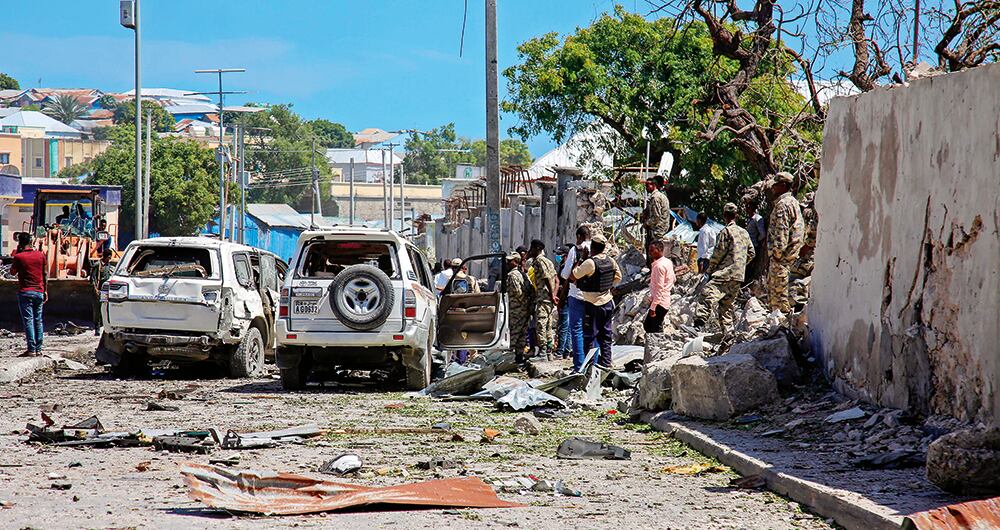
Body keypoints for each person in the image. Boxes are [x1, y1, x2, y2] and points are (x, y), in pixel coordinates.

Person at [695, 203, 755, 331]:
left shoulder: (726, 231)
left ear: (724, 216)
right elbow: (751, 253)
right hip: (738, 276)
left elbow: (717, 254)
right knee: (726, 306)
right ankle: (728, 335)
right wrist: (739, 265)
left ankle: (698, 325)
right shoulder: (744, 232)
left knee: (707, 294)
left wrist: (710, 271)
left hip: (725, 273)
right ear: (737, 216)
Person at [570, 233, 621, 371]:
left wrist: (582, 258)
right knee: (606, 336)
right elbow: (618, 277)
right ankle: (606, 365)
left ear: (592, 247)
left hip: (592, 304)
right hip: (608, 302)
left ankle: (590, 368)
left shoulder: (590, 263)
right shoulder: (611, 261)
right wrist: (607, 287)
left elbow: (573, 275)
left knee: (589, 337)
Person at [766, 172, 805, 313]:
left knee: (779, 304)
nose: (772, 189)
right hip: (789, 259)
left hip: (781, 260)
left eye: (775, 186)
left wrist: (776, 255)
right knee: (784, 299)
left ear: (783, 186)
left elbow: (781, 234)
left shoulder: (783, 205)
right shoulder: (793, 202)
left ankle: (780, 330)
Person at [559, 225, 591, 371]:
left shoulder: (575, 250)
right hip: (594, 297)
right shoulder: (597, 248)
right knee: (591, 330)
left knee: (576, 330)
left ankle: (579, 366)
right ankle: (593, 363)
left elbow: (566, 275)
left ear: (579, 236)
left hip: (576, 295)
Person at [10, 232, 47, 356]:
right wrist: (45, 290)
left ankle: (31, 349)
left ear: (20, 243)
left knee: (29, 321)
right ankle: (39, 348)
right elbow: (45, 274)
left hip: (25, 292)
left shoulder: (19, 257)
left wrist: (17, 254)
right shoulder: (41, 255)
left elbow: (12, 272)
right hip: (39, 292)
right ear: (31, 242)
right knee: (38, 320)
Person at [527, 239, 558, 359]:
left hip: (543, 297)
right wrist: (554, 296)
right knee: (548, 324)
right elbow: (556, 279)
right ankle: (549, 351)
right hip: (547, 298)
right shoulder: (548, 261)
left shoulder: (539, 261)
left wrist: (551, 295)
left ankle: (543, 352)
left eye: (532, 248)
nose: (531, 250)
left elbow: (546, 278)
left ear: (538, 248)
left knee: (540, 324)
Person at [644, 240, 676, 333]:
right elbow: (673, 279)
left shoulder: (659, 266)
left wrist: (653, 307)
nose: (649, 252)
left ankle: (658, 345)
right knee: (654, 326)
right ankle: (659, 344)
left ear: (659, 250)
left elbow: (659, 288)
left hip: (659, 302)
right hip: (665, 300)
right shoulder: (667, 262)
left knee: (651, 327)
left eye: (652, 250)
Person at [505, 253, 530, 364]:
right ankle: (519, 358)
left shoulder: (512, 275)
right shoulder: (522, 274)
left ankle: (510, 359)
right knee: (522, 334)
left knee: (514, 334)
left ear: (515, 261)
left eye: (510, 261)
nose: (507, 263)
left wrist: (524, 305)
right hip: (524, 309)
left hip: (517, 309)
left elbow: (518, 292)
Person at [639, 175, 671, 263]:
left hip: (657, 229)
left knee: (653, 251)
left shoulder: (655, 197)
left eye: (648, 185)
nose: (646, 188)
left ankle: (653, 271)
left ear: (654, 185)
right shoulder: (662, 196)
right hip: (661, 228)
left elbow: (656, 217)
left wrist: (646, 224)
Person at [742, 193, 767, 285]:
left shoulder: (757, 219)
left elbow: (762, 234)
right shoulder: (749, 219)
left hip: (753, 246)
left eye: (749, 206)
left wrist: (756, 241)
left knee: (748, 268)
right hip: (746, 246)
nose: (747, 208)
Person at [791, 192, 817, 279]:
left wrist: (805, 247)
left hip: (810, 254)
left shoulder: (814, 218)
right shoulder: (809, 217)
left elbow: (812, 237)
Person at [90, 248, 114, 335]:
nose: (110, 259)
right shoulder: (97, 265)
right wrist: (95, 289)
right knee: (97, 310)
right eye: (109, 257)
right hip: (98, 291)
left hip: (105, 291)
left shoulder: (108, 265)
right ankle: (97, 328)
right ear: (107, 256)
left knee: (105, 309)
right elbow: (93, 279)